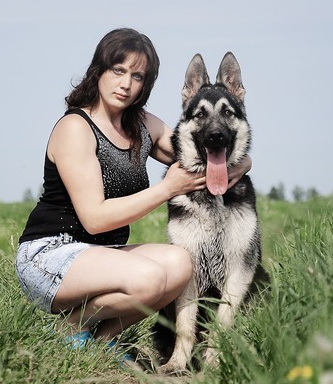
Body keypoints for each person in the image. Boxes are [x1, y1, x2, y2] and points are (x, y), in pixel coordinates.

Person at [15, 28, 250, 360]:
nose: (125, 83)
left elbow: (195, 152)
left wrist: (244, 161)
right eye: (118, 70)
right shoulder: (75, 128)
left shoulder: (141, 125)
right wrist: (166, 189)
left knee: (181, 265)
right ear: (98, 71)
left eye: (137, 76)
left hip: (102, 255)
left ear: (146, 84)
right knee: (151, 278)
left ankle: (102, 342)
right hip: (51, 255)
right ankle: (70, 327)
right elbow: (94, 219)